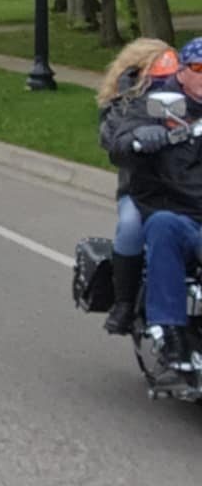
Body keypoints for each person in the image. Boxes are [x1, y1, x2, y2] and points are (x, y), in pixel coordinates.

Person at [101, 35, 202, 372]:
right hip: (177, 208)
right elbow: (118, 142)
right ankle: (166, 329)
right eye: (199, 68)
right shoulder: (152, 106)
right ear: (183, 72)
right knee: (154, 225)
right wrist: (140, 138)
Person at [94, 38, 181, 333]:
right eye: (157, 77)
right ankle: (124, 304)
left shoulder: (189, 99)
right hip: (140, 190)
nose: (166, 84)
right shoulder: (122, 105)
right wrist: (127, 106)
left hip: (187, 188)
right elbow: (111, 140)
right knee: (131, 226)